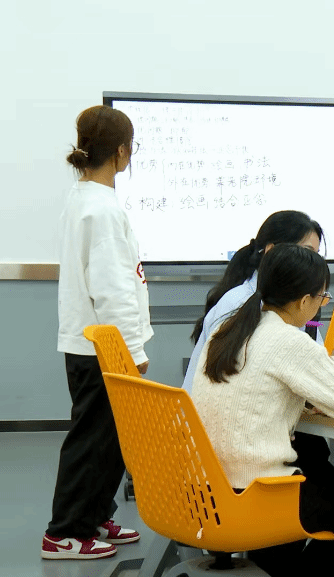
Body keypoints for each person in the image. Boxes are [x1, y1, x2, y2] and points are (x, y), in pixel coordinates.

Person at [192, 244, 334, 576]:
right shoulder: (290, 341)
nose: (323, 303)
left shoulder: (227, 331)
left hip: (207, 492)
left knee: (316, 469)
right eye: (323, 297)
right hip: (257, 497)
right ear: (303, 300)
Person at [44, 105, 151, 560]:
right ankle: (64, 532)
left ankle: (92, 518)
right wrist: (133, 351)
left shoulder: (84, 198)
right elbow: (112, 289)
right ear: (122, 151)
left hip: (90, 342)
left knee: (109, 439)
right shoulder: (101, 209)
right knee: (93, 440)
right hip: (103, 347)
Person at [183, 210, 324, 392]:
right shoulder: (239, 303)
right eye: (307, 252)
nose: (314, 264)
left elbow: (318, 362)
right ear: (271, 251)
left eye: (317, 255)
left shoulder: (300, 302)